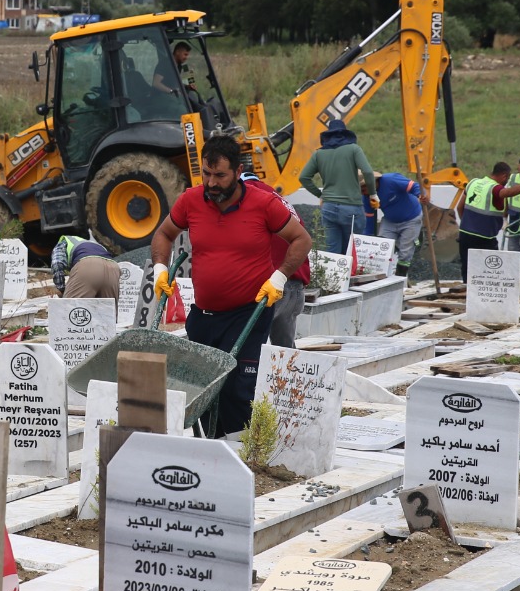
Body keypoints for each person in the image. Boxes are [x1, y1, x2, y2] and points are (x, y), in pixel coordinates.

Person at [151, 135, 312, 435]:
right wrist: (161, 269)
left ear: (238, 172)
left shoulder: (263, 203)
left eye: (220, 175)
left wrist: (278, 278)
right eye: (206, 175)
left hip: (248, 314)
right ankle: (212, 445)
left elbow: (301, 239)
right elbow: (163, 234)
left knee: (238, 387)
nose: (211, 183)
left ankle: (240, 452)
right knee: (203, 388)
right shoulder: (191, 201)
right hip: (204, 315)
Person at [242, 172, 312, 347]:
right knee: (285, 353)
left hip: (272, 287)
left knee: (248, 345)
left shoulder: (249, 195)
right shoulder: (278, 198)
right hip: (295, 288)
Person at [297, 119, 378, 256]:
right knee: (352, 250)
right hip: (351, 207)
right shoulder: (353, 149)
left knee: (333, 252)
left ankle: (332, 277)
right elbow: (368, 172)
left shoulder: (319, 154)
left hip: (328, 208)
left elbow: (303, 177)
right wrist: (372, 194)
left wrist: (320, 194)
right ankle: (350, 277)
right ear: (346, 134)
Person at [455, 161, 520, 277]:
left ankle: (467, 292)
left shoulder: (473, 182)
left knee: (467, 267)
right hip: (485, 238)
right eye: (507, 179)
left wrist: (466, 224)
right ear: (504, 176)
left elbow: (459, 207)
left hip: (465, 234)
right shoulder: (494, 188)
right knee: (490, 270)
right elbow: (507, 193)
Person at [374, 171, 424, 276]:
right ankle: (383, 279)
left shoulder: (391, 180)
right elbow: (369, 218)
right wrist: (368, 236)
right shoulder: (366, 195)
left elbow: (414, 186)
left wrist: (420, 194)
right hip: (389, 221)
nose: (363, 192)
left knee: (405, 252)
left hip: (411, 219)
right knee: (382, 248)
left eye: (364, 188)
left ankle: (400, 278)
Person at [49, 234, 119, 298]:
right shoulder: (92, 244)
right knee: (108, 308)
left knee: (71, 307)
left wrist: (61, 289)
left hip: (88, 265)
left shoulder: (63, 242)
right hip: (113, 267)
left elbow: (57, 264)